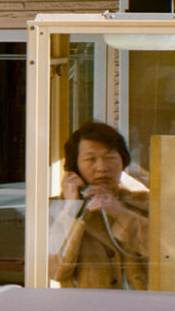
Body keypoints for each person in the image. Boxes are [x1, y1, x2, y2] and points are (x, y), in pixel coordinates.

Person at [52, 121, 153, 288]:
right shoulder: (59, 210)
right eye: (91, 159)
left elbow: (165, 253)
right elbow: (56, 271)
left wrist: (119, 212)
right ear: (74, 167)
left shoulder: (143, 203)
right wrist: (71, 209)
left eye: (110, 158)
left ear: (123, 161)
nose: (102, 167)